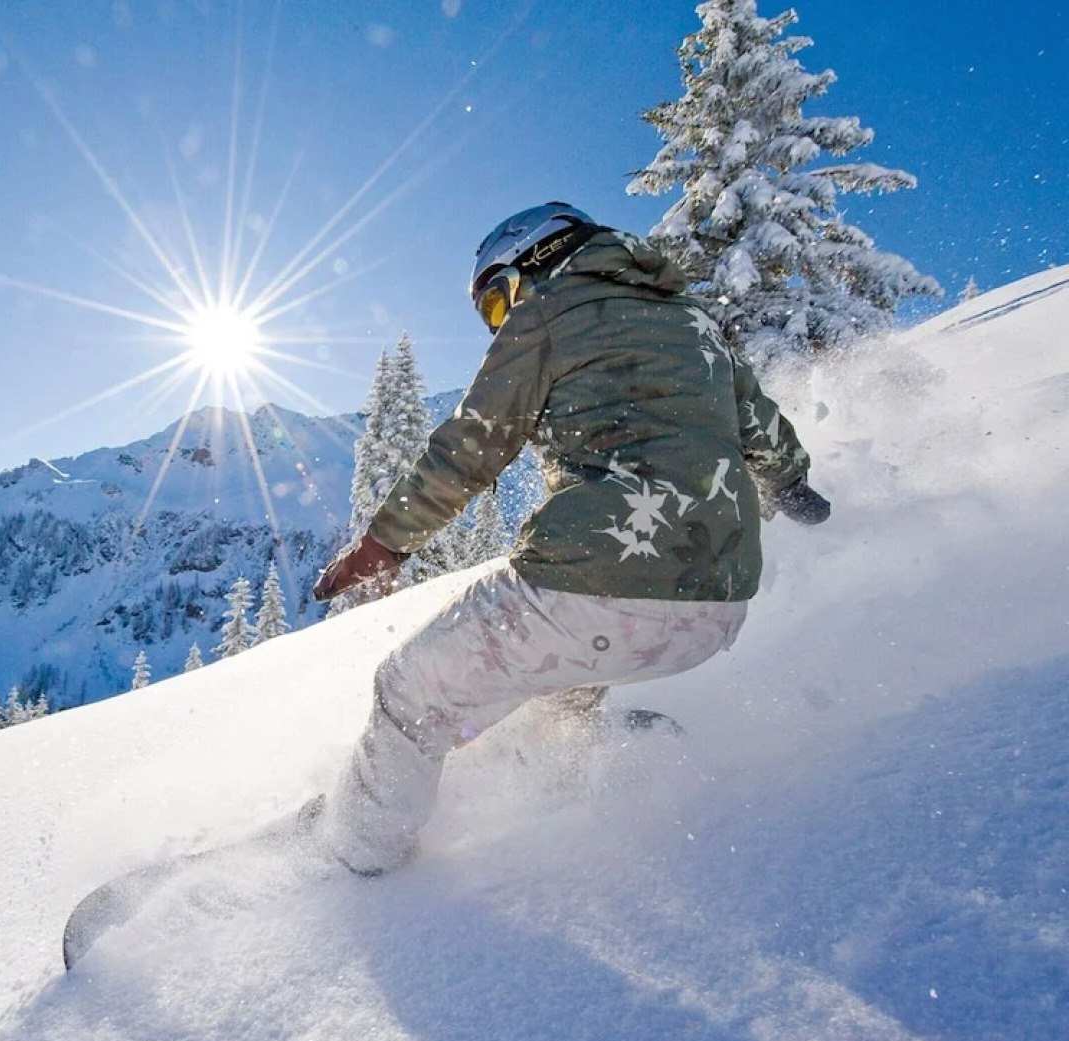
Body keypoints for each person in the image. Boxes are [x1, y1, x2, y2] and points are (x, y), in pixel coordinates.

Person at [311, 202, 830, 876]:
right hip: (718, 611)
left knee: (409, 689)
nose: (500, 322)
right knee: (561, 681)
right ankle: (560, 774)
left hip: (599, 587)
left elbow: (473, 444)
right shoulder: (694, 321)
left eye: (496, 303)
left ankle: (352, 857)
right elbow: (765, 433)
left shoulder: (546, 312)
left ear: (536, 258)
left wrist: (384, 544)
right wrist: (794, 488)